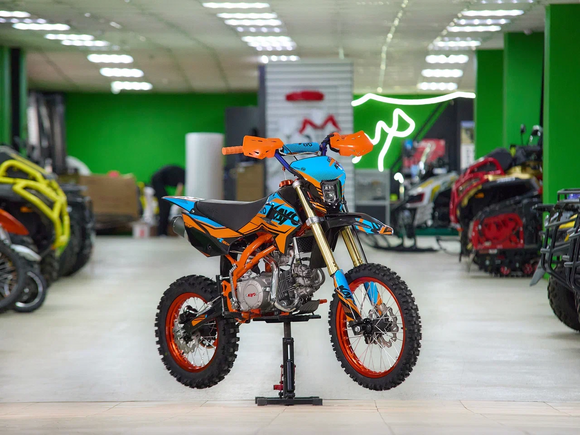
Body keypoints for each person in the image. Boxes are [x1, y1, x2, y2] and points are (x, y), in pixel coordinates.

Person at [151, 165, 185, 236]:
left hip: (158, 180)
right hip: (157, 180)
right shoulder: (184, 175)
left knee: (166, 205)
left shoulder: (181, 173)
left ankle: (163, 232)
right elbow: (179, 192)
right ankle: (161, 232)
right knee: (164, 206)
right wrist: (178, 205)